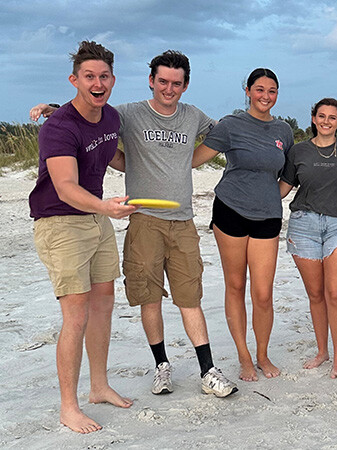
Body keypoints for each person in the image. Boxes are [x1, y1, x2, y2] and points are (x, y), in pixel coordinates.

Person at [30, 51, 238, 398]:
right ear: (151, 81)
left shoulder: (192, 116)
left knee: (187, 298)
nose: (168, 89)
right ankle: (161, 366)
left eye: (176, 83)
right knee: (146, 299)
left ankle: (207, 370)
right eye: (162, 81)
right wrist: (54, 108)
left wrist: (191, 161)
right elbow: (86, 120)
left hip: (176, 219)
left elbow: (222, 137)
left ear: (185, 85)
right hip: (138, 220)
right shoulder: (126, 113)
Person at [29, 41, 137, 434]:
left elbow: (111, 154)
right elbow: (65, 187)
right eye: (89, 76)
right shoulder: (58, 128)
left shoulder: (109, 117)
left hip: (96, 220)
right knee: (75, 315)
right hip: (61, 222)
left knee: (104, 304)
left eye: (103, 76)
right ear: (74, 80)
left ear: (113, 80)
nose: (97, 82)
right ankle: (68, 406)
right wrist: (106, 207)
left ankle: (99, 385)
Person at [191, 68, 294, 382]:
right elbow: (193, 159)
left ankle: (262, 354)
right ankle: (244, 357)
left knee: (263, 294)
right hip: (230, 211)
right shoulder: (230, 126)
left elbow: (288, 175)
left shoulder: (284, 130)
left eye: (272, 91)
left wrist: (268, 198)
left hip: (268, 216)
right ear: (247, 91)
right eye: (259, 89)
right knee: (236, 286)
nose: (265, 96)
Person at [279, 98, 337, 379]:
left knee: (336, 293)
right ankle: (322, 351)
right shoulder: (298, 151)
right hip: (303, 225)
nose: (326, 121)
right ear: (314, 119)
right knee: (316, 294)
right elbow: (282, 188)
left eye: (333, 117)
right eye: (321, 116)